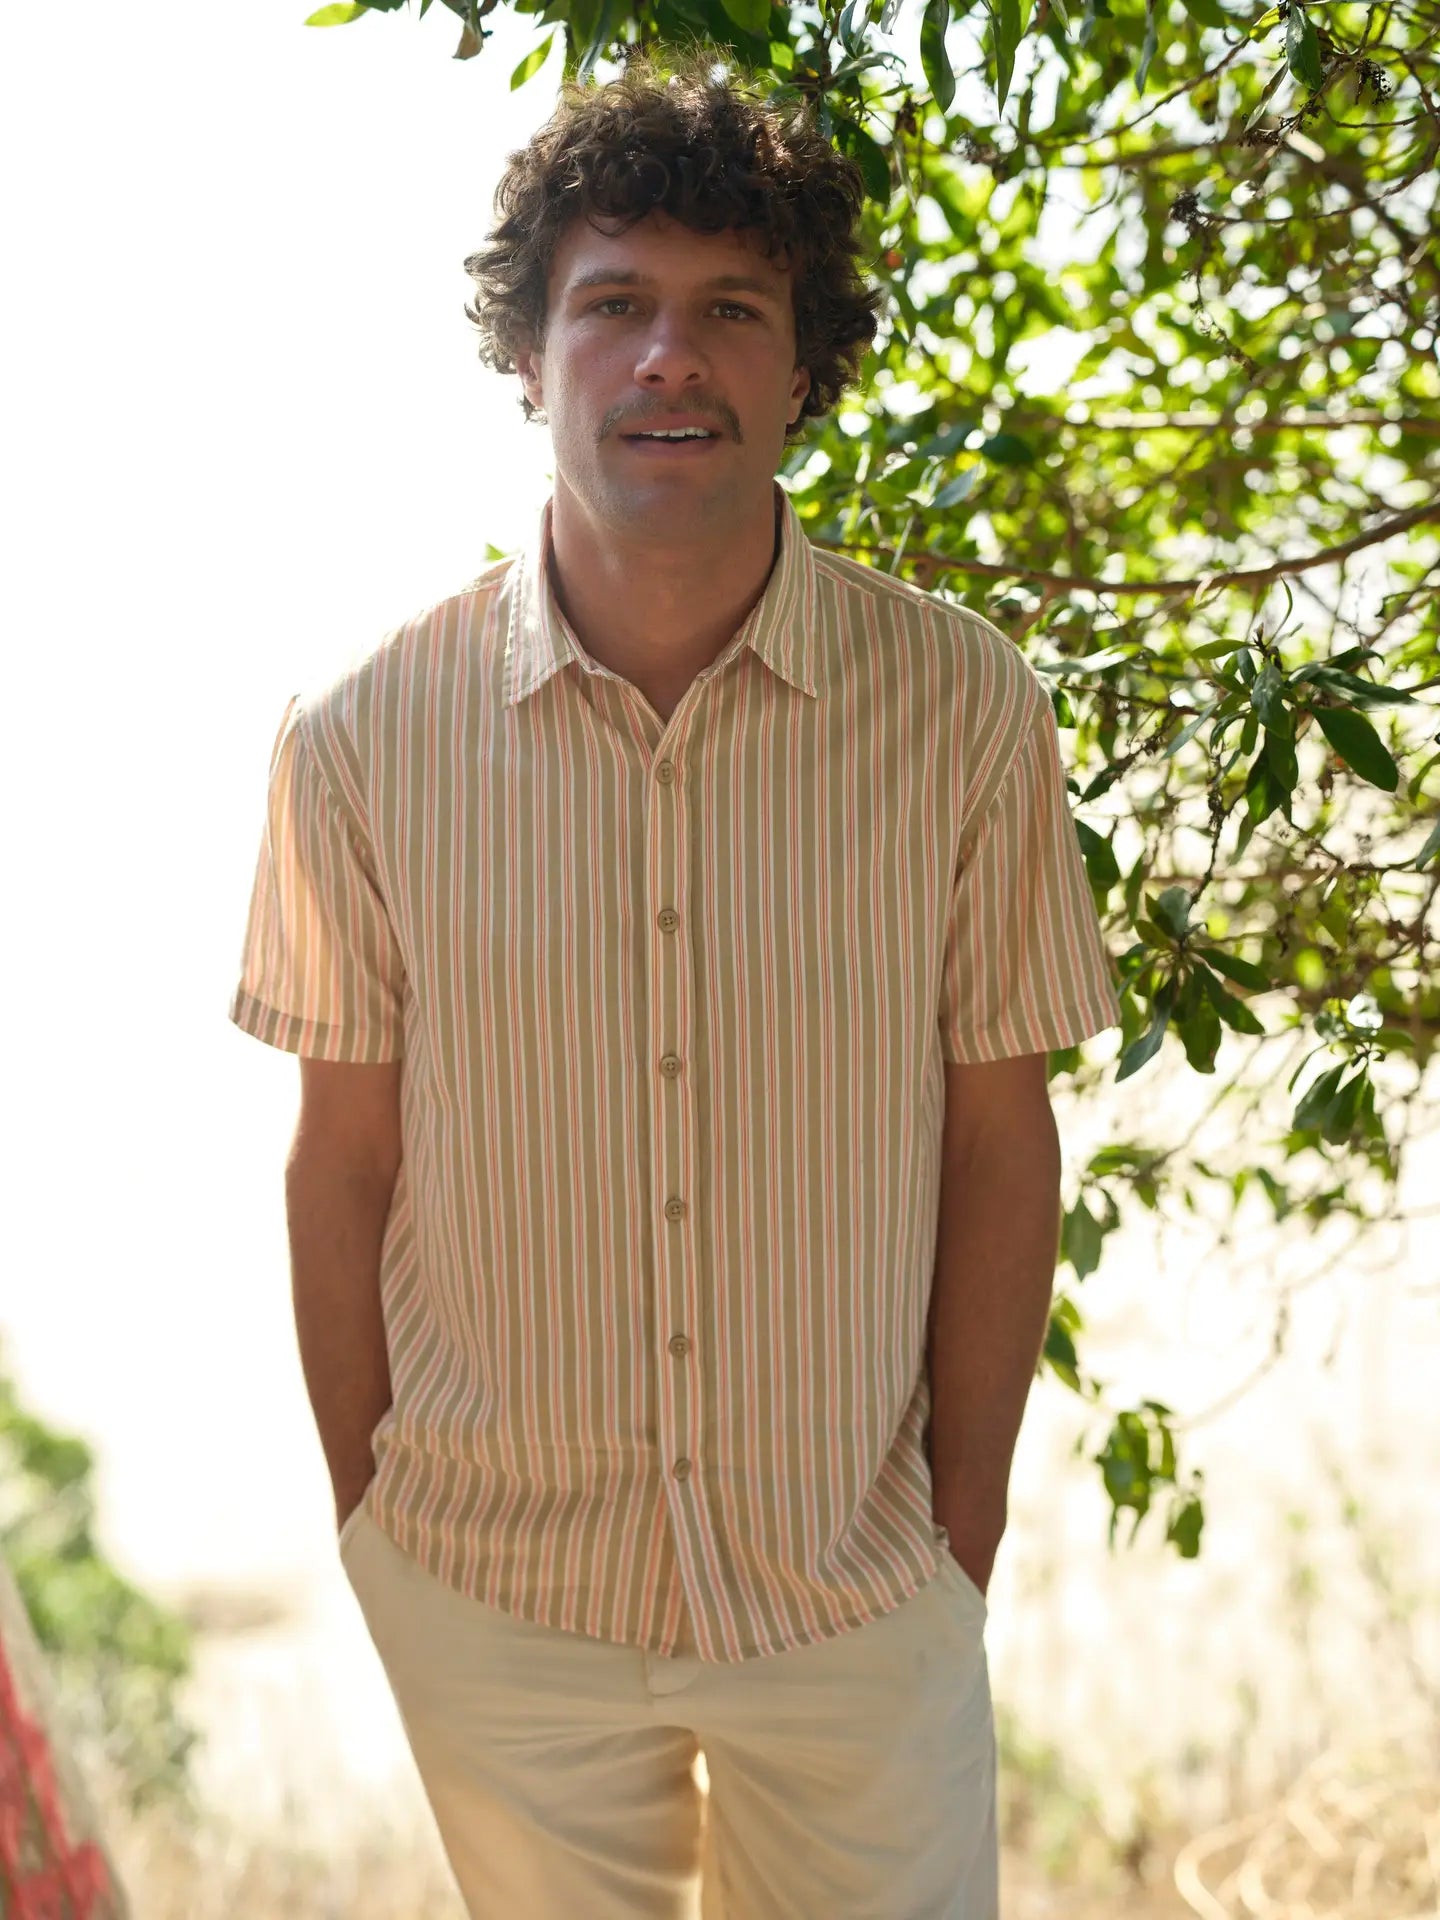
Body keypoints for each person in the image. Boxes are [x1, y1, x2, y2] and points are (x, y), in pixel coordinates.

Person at [230, 52, 1120, 1920]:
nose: (669, 359)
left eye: (731, 310)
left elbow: (995, 1137)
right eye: (612, 305)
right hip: (496, 1598)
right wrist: (375, 1526)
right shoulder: (359, 740)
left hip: (854, 1588)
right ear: (530, 356)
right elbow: (342, 1164)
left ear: (804, 366)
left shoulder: (966, 712)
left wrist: (960, 1532)